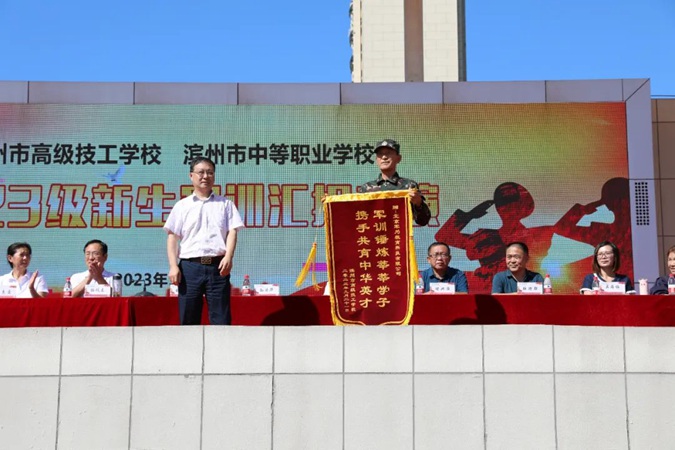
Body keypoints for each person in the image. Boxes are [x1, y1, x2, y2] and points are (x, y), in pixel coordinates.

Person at [164, 156, 245, 325]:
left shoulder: (226, 204)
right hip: (189, 268)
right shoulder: (182, 206)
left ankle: (221, 344)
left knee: (221, 319)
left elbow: (232, 232)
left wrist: (228, 257)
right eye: (201, 172)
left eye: (210, 172)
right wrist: (173, 266)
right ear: (191, 176)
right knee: (188, 318)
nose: (205, 176)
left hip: (218, 267)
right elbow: (172, 237)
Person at [357, 139, 431, 226]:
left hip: (399, 234)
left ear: (398, 158)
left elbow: (423, 221)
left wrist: (419, 203)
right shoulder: (366, 188)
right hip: (374, 233)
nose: (384, 157)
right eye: (380, 154)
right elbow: (358, 218)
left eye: (388, 153)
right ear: (376, 159)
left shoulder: (409, 186)